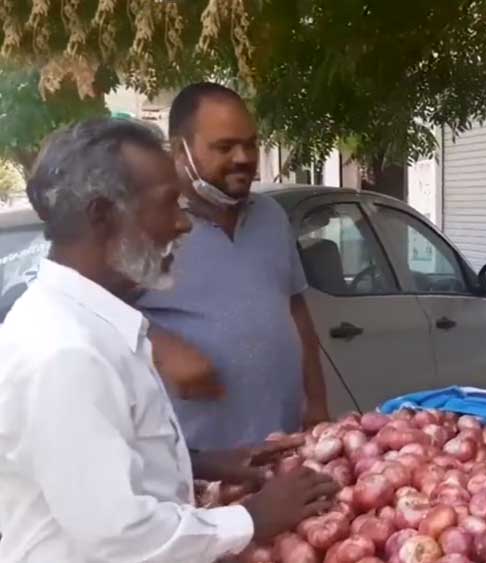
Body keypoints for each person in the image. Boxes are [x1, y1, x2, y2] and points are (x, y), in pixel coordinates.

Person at [0, 118, 336, 561]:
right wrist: (254, 518)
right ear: (102, 215)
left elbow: (97, 460)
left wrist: (202, 461)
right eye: (167, 205)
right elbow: (119, 534)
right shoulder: (65, 352)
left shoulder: (93, 325)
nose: (182, 224)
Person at [138, 83, 329, 450]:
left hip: (280, 449)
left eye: (251, 144)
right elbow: (93, 312)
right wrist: (159, 345)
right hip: (196, 466)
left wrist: (317, 405)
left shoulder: (271, 217)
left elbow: (296, 313)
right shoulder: (149, 225)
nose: (244, 157)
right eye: (224, 147)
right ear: (181, 150)